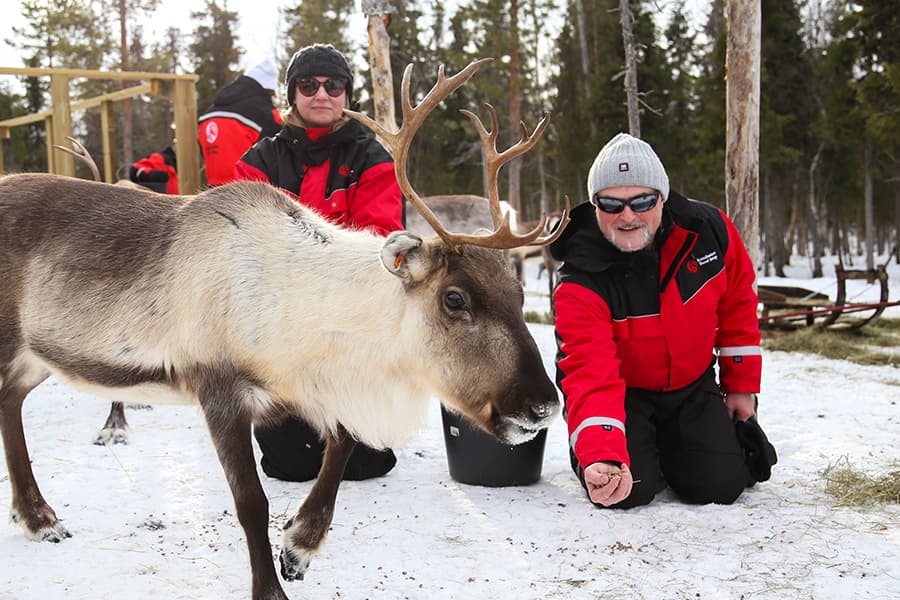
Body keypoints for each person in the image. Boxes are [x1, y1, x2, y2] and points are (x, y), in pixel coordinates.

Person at [551, 132, 776, 509]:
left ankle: (683, 443)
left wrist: (740, 385)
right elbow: (589, 370)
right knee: (626, 490)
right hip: (625, 394)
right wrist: (601, 452)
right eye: (611, 204)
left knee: (719, 487)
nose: (627, 215)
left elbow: (737, 303)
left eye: (642, 201)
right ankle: (599, 451)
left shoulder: (709, 232)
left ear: (662, 198)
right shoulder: (580, 279)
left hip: (692, 385)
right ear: (594, 207)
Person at [234, 43, 403, 482]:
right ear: (292, 95)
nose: (321, 94)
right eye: (308, 85)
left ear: (347, 94)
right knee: (289, 468)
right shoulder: (259, 160)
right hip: (277, 335)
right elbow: (241, 242)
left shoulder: (371, 158)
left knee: (364, 466)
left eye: (333, 85)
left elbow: (378, 243)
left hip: (348, 334)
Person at [198, 58, 283, 186]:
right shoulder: (267, 114)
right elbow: (281, 154)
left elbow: (202, 150)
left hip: (213, 194)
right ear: (269, 88)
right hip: (249, 194)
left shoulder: (208, 114)